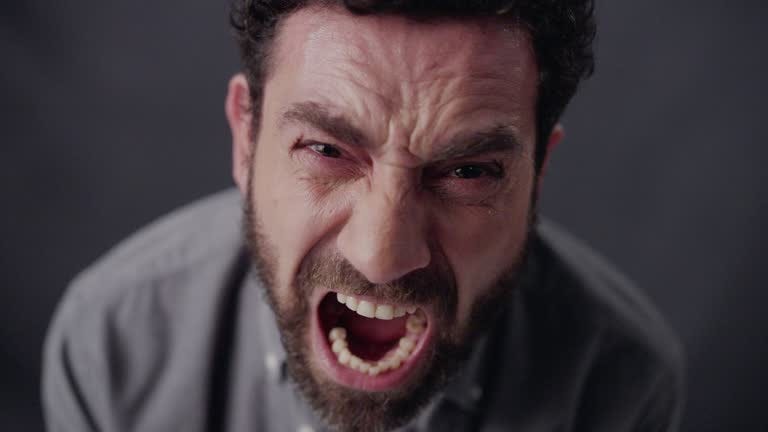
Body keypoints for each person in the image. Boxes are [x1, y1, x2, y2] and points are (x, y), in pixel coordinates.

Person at [42, 1, 685, 431]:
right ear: (246, 138)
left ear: (538, 174)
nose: (381, 255)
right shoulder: (111, 346)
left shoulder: (616, 384)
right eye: (326, 151)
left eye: (467, 171)